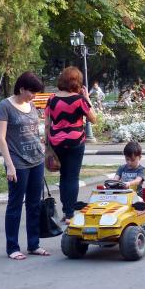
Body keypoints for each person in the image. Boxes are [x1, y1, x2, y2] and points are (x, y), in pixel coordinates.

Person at [0, 71, 51, 260]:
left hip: (36, 160)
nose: (34, 96)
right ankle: (12, 247)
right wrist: (9, 165)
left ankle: (34, 244)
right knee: (15, 205)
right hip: (17, 162)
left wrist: (42, 146)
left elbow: (34, 129)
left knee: (34, 205)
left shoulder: (31, 104)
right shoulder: (5, 106)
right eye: (31, 92)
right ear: (21, 89)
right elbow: (1, 139)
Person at [45, 66, 97, 224]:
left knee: (63, 176)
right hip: (75, 142)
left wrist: (47, 145)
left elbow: (47, 124)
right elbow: (93, 119)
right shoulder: (79, 100)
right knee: (72, 177)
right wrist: (87, 98)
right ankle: (69, 214)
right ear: (77, 82)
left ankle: (66, 211)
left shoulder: (52, 99)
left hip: (57, 142)